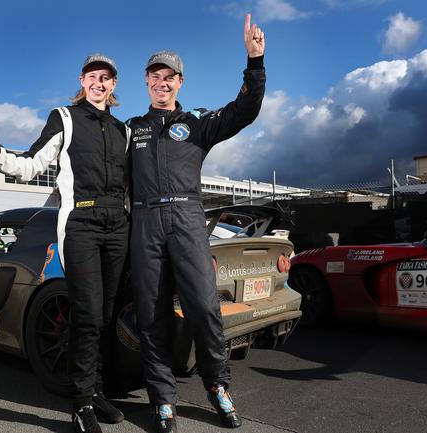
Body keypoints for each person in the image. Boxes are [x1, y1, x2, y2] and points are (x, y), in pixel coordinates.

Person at [127, 14, 266, 433]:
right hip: (146, 221)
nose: (163, 83)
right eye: (156, 76)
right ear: (147, 82)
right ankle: (163, 399)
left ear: (180, 83)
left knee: (205, 309)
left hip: (187, 217)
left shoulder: (198, 123)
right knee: (152, 317)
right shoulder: (131, 130)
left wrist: (255, 62)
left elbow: (245, 110)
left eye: (171, 77)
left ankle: (217, 386)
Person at [0, 54, 129, 433]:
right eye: (93, 76)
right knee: (88, 315)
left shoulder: (123, 129)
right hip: (81, 223)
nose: (100, 82)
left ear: (113, 86)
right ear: (82, 80)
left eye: (106, 78)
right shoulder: (64, 117)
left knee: (108, 316)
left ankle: (96, 391)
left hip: (117, 225)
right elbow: (31, 164)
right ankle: (81, 404)